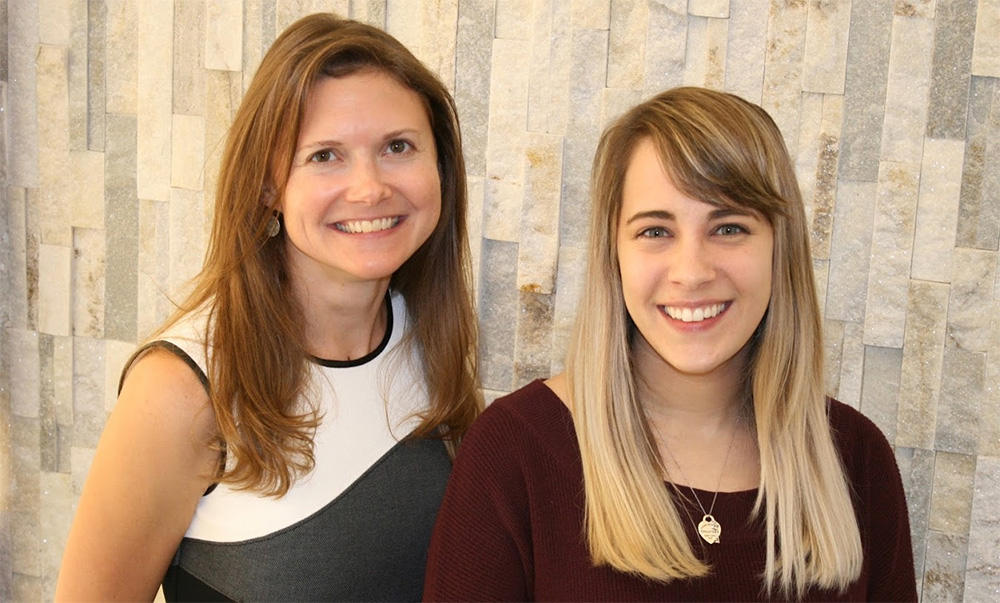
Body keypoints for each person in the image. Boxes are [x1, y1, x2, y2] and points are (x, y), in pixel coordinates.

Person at [423, 87, 917, 601]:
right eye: (656, 231)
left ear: (779, 249)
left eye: (729, 227)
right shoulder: (514, 452)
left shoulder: (855, 459)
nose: (692, 273)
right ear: (613, 253)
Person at [56, 13, 482, 602]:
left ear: (441, 168)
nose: (370, 188)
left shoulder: (429, 340)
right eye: (325, 156)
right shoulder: (182, 391)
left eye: (398, 147)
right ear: (267, 185)